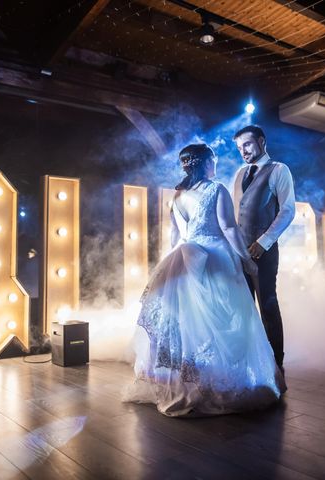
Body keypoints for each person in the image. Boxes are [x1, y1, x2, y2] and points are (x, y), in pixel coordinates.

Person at [124, 143, 285, 417]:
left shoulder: (177, 195)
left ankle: (186, 385)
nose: (216, 164)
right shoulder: (216, 189)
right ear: (205, 162)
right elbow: (229, 228)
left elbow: (175, 235)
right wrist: (246, 259)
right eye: (213, 160)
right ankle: (220, 385)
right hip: (215, 259)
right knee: (227, 320)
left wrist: (173, 263)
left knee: (188, 327)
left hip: (183, 259)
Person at [231, 125, 295, 373]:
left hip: (264, 253)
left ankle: (277, 364)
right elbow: (236, 214)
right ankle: (250, 362)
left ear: (261, 141)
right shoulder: (239, 174)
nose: (243, 151)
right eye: (239, 148)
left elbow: (288, 210)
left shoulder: (279, 170)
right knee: (243, 308)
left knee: (267, 305)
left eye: (247, 144)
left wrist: (264, 242)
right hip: (239, 253)